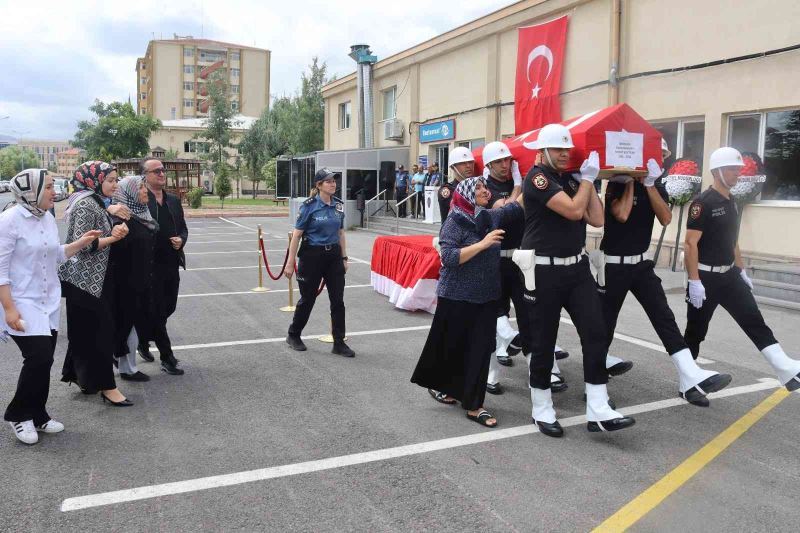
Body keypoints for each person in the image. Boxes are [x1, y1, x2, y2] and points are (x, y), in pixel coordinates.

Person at [515, 123, 635, 438]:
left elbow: (595, 219)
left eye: (567, 148)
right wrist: (586, 180)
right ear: (543, 151)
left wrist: (589, 183)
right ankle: (541, 408)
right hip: (544, 269)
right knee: (543, 341)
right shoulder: (536, 178)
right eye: (558, 149)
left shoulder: (572, 178)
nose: (565, 154)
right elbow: (571, 211)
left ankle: (598, 407)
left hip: (577, 266)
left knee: (596, 333)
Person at [599, 142, 731, 406]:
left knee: (664, 317)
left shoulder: (655, 185)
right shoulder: (618, 181)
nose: (659, 161)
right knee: (604, 324)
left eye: (662, 157)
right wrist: (633, 182)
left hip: (641, 264)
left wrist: (648, 184)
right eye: (656, 156)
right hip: (613, 263)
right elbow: (621, 215)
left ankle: (689, 376)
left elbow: (667, 217)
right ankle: (596, 387)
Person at [684, 147, 800, 392]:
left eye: (738, 169)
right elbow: (690, 243)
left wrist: (741, 269)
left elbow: (732, 240)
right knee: (696, 332)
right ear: (717, 172)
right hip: (705, 277)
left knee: (753, 320)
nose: (737, 174)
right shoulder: (702, 203)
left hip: (730, 276)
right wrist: (694, 281)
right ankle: (688, 380)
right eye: (732, 170)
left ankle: (785, 369)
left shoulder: (733, 201)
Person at [0, 169, 101, 444]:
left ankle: (38, 414)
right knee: (38, 357)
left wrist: (81, 243)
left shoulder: (45, 217)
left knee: (45, 360)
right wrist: (9, 310)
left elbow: (56, 254)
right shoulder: (9, 221)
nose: (53, 192)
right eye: (47, 187)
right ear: (31, 191)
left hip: (48, 301)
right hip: (21, 301)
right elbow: (0, 270)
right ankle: (19, 415)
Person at [411, 177, 504, 427]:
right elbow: (450, 257)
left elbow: (514, 207)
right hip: (455, 296)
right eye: (479, 188)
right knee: (453, 346)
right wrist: (483, 244)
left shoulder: (487, 217)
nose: (485, 191)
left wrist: (521, 180)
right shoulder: (454, 221)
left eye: (486, 187)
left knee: (481, 348)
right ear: (465, 195)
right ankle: (450, 390)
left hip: (486, 296)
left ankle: (474, 404)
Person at [60, 161, 133, 407]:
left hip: (95, 280)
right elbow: (82, 246)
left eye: (116, 180)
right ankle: (107, 387)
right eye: (110, 180)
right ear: (94, 179)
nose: (115, 185)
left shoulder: (94, 201)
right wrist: (114, 237)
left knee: (84, 332)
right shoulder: (85, 205)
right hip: (87, 282)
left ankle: (81, 377)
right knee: (101, 334)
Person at [284, 168, 355, 358]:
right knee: (308, 299)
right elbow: (297, 236)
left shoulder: (338, 206)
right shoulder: (309, 206)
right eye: (329, 181)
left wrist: (344, 258)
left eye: (334, 181)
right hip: (311, 256)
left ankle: (339, 343)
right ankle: (293, 335)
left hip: (333, 257)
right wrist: (290, 263)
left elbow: (340, 233)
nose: (333, 184)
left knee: (338, 301)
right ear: (319, 185)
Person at [137, 157, 187, 376]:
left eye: (162, 170)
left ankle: (142, 337)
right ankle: (167, 357)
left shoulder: (173, 201)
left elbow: (183, 229)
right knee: (157, 311)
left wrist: (182, 240)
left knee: (168, 307)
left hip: (171, 263)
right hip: (148, 266)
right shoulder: (140, 201)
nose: (161, 173)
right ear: (145, 176)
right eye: (156, 171)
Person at [110, 176, 158, 382]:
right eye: (140, 187)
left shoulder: (141, 216)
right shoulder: (122, 221)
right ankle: (127, 369)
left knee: (134, 326)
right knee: (127, 326)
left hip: (141, 281)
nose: (145, 190)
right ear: (129, 193)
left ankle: (124, 363)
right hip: (127, 284)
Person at [438, 147, 474, 220]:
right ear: (453, 167)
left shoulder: (477, 186)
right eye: (462, 163)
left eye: (470, 162)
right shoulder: (448, 189)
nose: (468, 166)